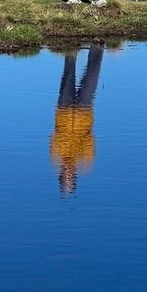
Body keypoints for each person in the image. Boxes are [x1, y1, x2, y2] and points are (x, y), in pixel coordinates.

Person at [49, 46, 103, 196]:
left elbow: (56, 136)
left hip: (64, 110)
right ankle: (98, 44)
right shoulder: (86, 160)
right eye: (70, 176)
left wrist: (69, 149)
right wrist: (77, 150)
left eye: (65, 175)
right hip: (84, 112)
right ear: (74, 175)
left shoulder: (55, 156)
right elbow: (90, 139)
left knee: (69, 71)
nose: (68, 171)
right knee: (92, 74)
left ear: (61, 172)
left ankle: (71, 47)